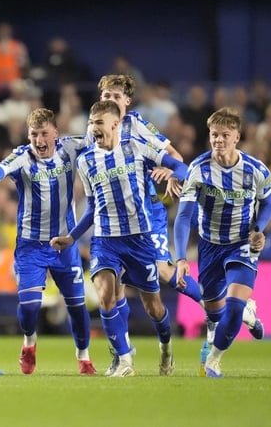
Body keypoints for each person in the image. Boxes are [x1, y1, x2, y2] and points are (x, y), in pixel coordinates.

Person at [51, 100, 189, 377]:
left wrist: (174, 173)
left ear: (115, 124)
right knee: (105, 296)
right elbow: (92, 208)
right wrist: (72, 238)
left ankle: (166, 346)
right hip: (106, 239)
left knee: (153, 306)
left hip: (140, 240)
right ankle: (125, 360)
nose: (93, 128)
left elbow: (181, 166)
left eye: (98, 123)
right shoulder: (85, 161)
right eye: (91, 123)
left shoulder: (136, 148)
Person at [0, 108, 95, 375]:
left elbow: (99, 136)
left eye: (44, 134)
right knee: (29, 307)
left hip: (64, 244)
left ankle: (84, 357)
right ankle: (29, 343)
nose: (39, 140)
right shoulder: (22, 157)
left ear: (55, 133)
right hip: (30, 246)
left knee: (77, 306)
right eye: (34, 134)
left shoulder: (70, 148)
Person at [97, 74, 204, 376]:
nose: (110, 101)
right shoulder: (95, 127)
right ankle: (123, 356)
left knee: (160, 280)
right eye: (106, 96)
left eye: (116, 97)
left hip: (147, 216)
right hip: (113, 225)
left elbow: (176, 158)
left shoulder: (138, 125)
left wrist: (170, 174)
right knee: (110, 287)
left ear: (127, 102)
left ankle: (212, 304)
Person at [173, 107, 271, 378]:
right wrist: (181, 258)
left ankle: (214, 361)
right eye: (214, 134)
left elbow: (268, 204)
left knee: (234, 307)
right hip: (209, 246)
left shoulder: (256, 170)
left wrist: (258, 229)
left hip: (242, 244)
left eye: (224, 135)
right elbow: (183, 216)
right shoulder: (199, 169)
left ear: (236, 137)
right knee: (216, 314)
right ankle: (249, 314)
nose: (218, 140)